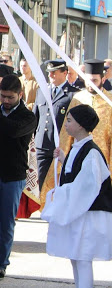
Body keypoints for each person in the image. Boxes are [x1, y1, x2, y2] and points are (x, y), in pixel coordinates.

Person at [41, 105, 112, 288]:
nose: (66, 124)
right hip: (80, 212)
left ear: (81, 125)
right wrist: (65, 159)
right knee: (76, 256)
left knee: (83, 257)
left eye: (70, 120)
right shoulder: (78, 148)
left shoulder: (92, 152)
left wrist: (61, 193)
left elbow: (87, 186)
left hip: (89, 214)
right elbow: (76, 173)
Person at [0, 75, 37, 285]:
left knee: (6, 223)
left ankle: (1, 263)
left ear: (20, 95)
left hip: (14, 177)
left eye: (10, 97)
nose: (5, 100)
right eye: (2, 96)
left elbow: (11, 130)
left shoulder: (27, 116)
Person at [40, 59, 112, 205]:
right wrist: (63, 159)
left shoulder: (109, 101)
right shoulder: (78, 98)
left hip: (102, 158)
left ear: (103, 79)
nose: (90, 84)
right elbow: (67, 134)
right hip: (79, 157)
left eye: (94, 80)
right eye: (88, 80)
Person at [32, 59, 80, 192]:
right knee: (40, 183)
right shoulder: (41, 91)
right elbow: (35, 119)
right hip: (41, 145)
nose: (50, 75)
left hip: (60, 146)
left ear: (65, 73)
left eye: (54, 72)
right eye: (49, 73)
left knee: (58, 182)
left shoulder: (72, 94)